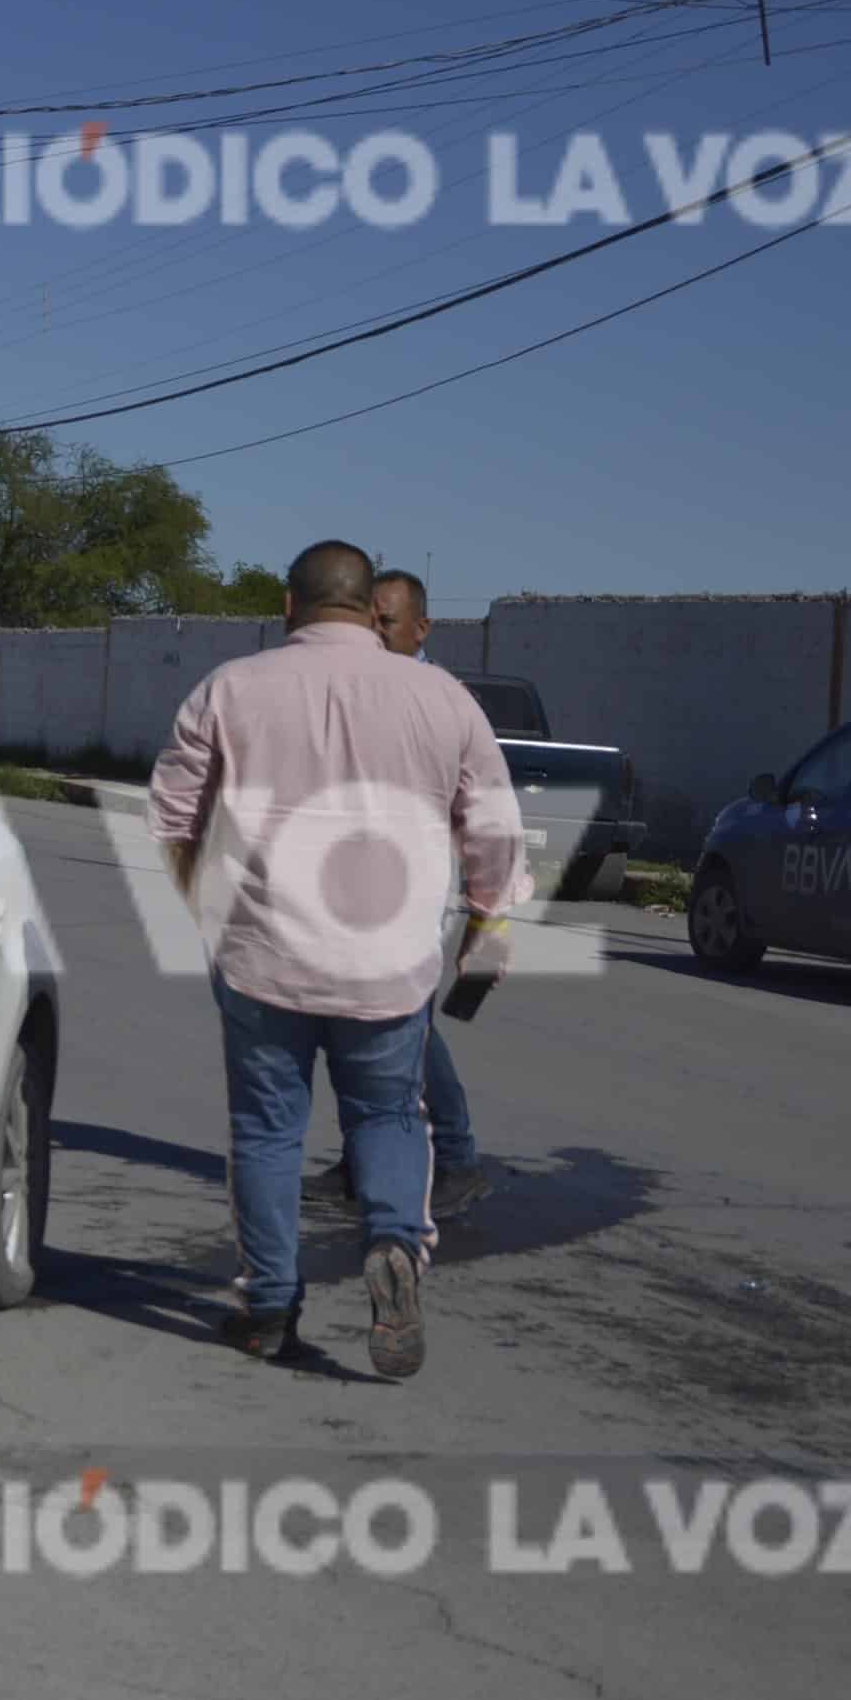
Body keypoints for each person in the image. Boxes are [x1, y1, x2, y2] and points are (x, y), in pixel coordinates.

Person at [147, 541, 523, 1376]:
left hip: (261, 958)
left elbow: (172, 817)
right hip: (387, 966)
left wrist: (205, 910)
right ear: (369, 607)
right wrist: (487, 921)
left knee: (268, 1130)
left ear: (289, 606)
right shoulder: (442, 697)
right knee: (389, 1118)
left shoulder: (229, 689)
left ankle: (271, 1304)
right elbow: (494, 828)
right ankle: (393, 1246)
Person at [304, 568, 493, 1220]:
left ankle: (460, 1159)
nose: (373, 632)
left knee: (401, 1021)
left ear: (421, 628)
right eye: (365, 620)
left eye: (385, 621)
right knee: (369, 1020)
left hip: (423, 883)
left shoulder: (442, 697)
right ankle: (367, 1160)